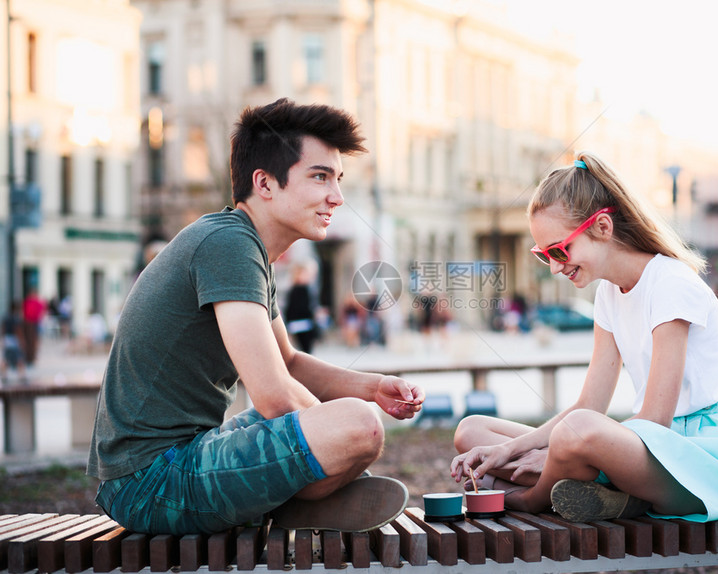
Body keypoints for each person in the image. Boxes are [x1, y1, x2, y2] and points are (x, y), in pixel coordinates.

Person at [87, 98, 425, 536]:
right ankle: (293, 504)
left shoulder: (243, 247)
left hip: (175, 463)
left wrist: (373, 387)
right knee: (359, 425)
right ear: (264, 183)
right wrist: (345, 435)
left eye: (338, 179)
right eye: (320, 177)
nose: (337, 197)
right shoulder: (227, 244)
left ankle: (286, 505)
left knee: (355, 416)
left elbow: (287, 363)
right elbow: (274, 396)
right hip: (149, 482)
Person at [450, 152, 718, 524]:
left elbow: (654, 421)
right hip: (644, 452)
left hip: (705, 460)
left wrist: (555, 454)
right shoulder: (608, 294)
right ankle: (604, 491)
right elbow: (590, 403)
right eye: (543, 255)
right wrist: (508, 451)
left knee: (575, 432)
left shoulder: (670, 284)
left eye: (559, 250)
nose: (554, 267)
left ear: (602, 227)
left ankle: (534, 498)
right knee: (473, 432)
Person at [284, 263, 318, 354]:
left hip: (301, 323)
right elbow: (293, 308)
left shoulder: (301, 288)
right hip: (302, 323)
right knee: (305, 349)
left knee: (304, 350)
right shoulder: (301, 289)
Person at [1, 301, 27, 383]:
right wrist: (22, 341)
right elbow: (17, 330)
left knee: (6, 359)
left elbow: (3, 329)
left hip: (7, 339)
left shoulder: (6, 317)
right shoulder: (16, 318)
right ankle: (21, 376)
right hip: (14, 340)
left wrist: (3, 339)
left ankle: (4, 376)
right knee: (19, 358)